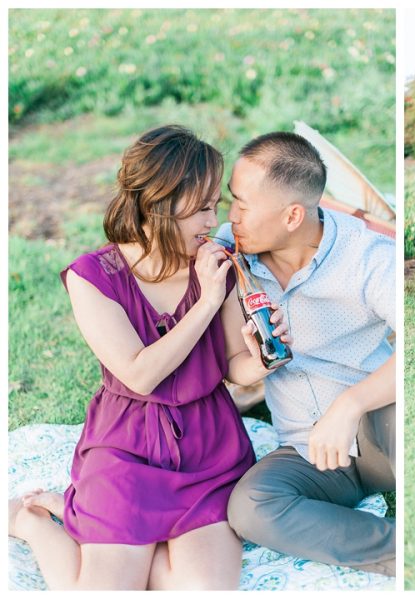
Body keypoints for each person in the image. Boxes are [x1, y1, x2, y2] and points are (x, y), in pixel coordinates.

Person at [8, 125, 289, 590]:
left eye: (213, 206)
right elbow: (140, 374)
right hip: (128, 449)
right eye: (200, 208)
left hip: (208, 448)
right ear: (157, 206)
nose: (211, 221)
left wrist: (262, 359)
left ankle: (89, 516)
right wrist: (205, 302)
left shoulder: (215, 262)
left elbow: (232, 367)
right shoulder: (93, 277)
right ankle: (34, 522)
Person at [219, 132, 396, 576]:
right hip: (305, 450)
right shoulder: (231, 252)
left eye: (243, 204)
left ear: (293, 215)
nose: (231, 215)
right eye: (231, 201)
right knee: (250, 507)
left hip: (379, 425)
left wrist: (350, 404)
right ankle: (402, 550)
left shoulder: (368, 257)